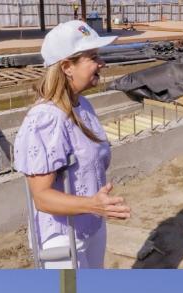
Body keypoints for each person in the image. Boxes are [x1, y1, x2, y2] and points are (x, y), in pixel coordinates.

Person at [14, 20, 130, 269]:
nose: (102, 64)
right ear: (67, 67)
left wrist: (96, 208)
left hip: (91, 224)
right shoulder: (46, 119)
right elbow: (42, 198)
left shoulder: (83, 106)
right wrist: (93, 204)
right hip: (62, 237)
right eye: (93, 57)